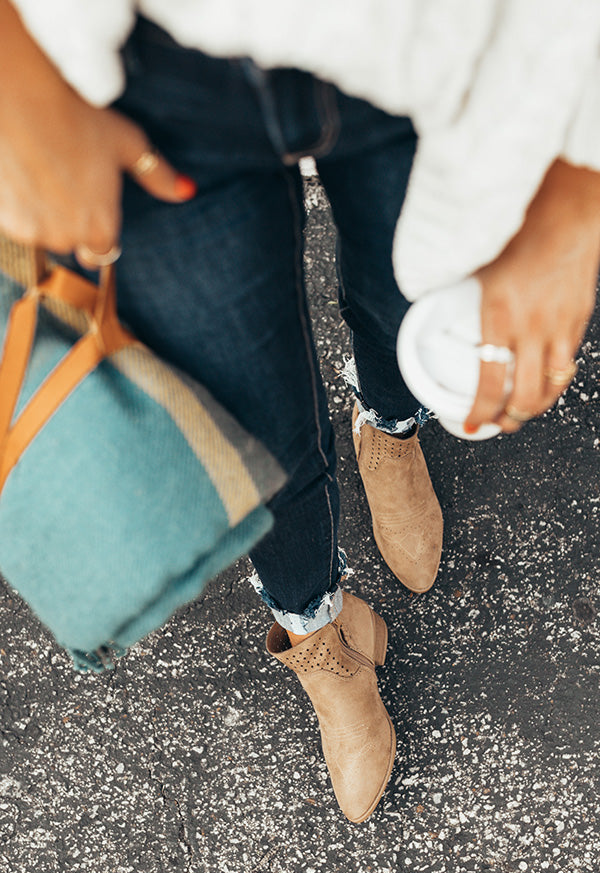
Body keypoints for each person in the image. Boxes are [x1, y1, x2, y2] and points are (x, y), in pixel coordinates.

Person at [1, 0, 600, 822]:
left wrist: (579, 191)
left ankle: (388, 430)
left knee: (412, 317)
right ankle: (322, 640)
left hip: (435, 40)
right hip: (142, 73)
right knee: (248, 422)